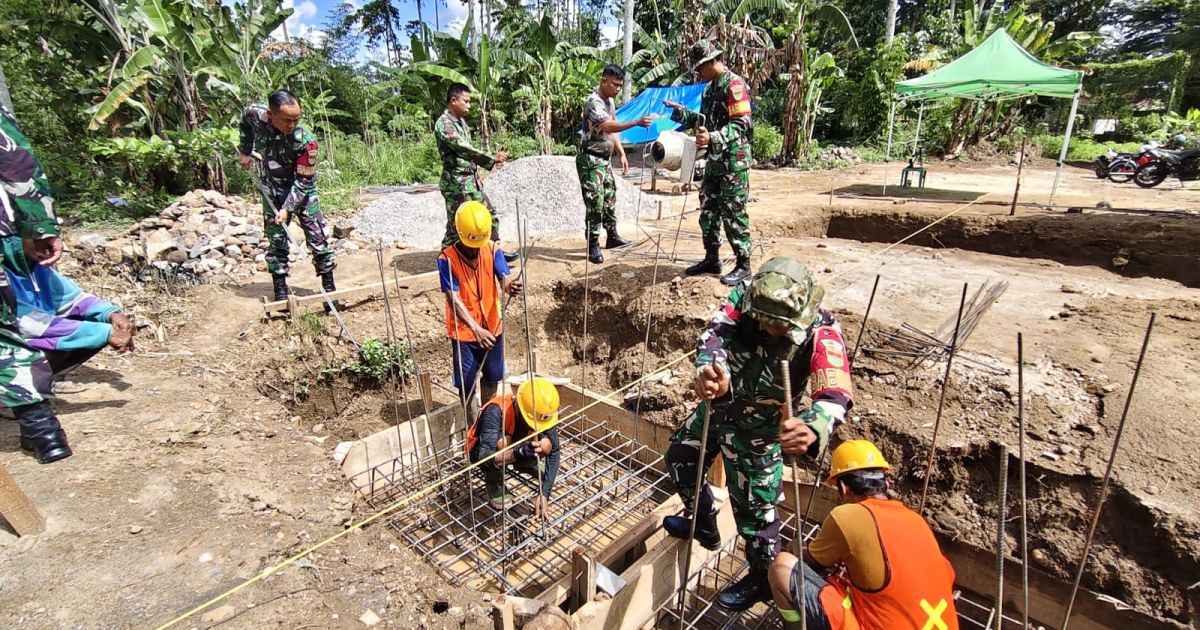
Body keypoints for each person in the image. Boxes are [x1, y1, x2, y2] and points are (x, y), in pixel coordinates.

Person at [662, 257, 853, 610]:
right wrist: (708, 369)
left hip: (760, 432)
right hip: (719, 410)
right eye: (763, 320)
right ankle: (703, 521)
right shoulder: (743, 297)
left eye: (779, 325)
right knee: (680, 459)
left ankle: (762, 579)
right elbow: (716, 333)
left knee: (757, 515)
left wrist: (812, 426)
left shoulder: (822, 330)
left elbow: (835, 392)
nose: (768, 329)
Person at [1, 106, 132, 463]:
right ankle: (42, 429)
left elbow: (65, 296)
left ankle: (36, 425)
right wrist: (39, 223)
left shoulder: (20, 260)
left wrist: (109, 314)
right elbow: (17, 164)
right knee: (10, 333)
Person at [768, 440, 960, 630]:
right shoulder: (915, 520)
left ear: (843, 488)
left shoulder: (848, 516)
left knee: (782, 567)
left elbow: (810, 560)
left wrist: (794, 546)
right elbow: (947, 575)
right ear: (886, 482)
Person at [664, 40, 754, 286]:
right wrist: (680, 112)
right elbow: (704, 119)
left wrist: (713, 137)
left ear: (711, 62)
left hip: (733, 162)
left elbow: (741, 123)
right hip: (714, 161)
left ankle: (744, 265)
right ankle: (712, 258)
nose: (698, 74)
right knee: (708, 209)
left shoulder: (734, 84)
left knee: (733, 212)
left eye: (700, 68)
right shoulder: (708, 89)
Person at [237, 89, 337, 303]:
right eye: (286, 120)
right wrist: (245, 151)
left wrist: (288, 208)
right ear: (271, 115)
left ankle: (330, 290)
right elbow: (244, 120)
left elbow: (303, 182)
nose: (291, 125)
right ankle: (281, 292)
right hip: (272, 189)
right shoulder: (256, 116)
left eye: (296, 120)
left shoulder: (306, 142)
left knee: (318, 240)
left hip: (303, 192)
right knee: (276, 240)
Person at [437, 201, 522, 424]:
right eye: (471, 245)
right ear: (460, 234)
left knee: (492, 378)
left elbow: (503, 277)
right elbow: (452, 297)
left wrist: (509, 285)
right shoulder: (447, 259)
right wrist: (475, 330)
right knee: (467, 385)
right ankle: (472, 430)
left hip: (493, 329)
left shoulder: (492, 249)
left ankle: (489, 425)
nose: (475, 249)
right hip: (465, 335)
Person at [576, 64, 654, 264]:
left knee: (610, 197)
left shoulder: (609, 101)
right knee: (595, 202)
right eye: (615, 84)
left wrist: (621, 152)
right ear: (604, 81)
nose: (618, 89)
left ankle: (612, 236)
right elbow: (606, 125)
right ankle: (592, 244)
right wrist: (636, 122)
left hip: (604, 159)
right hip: (590, 159)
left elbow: (613, 130)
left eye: (620, 86)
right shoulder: (594, 102)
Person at [435, 83, 513, 260]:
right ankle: (446, 261)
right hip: (456, 184)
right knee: (456, 225)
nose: (469, 105)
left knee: (489, 215)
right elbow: (463, 148)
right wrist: (491, 160)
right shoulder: (444, 124)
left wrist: (478, 177)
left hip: (470, 181)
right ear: (453, 100)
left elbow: (467, 155)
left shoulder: (461, 122)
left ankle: (494, 253)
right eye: (466, 101)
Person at [465, 376, 561, 514]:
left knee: (546, 445)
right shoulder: (495, 412)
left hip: (515, 443)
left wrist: (545, 493)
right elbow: (484, 458)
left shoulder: (541, 411)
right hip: (481, 452)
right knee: (501, 444)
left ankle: (524, 462)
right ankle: (494, 482)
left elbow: (555, 451)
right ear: (521, 410)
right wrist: (518, 453)